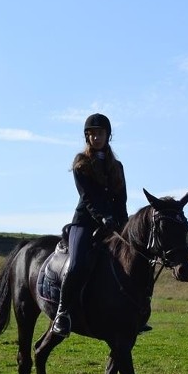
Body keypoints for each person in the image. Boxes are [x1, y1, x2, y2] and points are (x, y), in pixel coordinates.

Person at [52, 113, 128, 337]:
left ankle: (131, 314)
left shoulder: (117, 166)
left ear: (108, 136)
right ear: (87, 137)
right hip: (84, 223)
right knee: (76, 265)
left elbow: (121, 198)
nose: (96, 137)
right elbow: (88, 198)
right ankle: (62, 313)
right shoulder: (81, 163)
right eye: (92, 134)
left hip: (113, 224)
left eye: (100, 133)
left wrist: (123, 223)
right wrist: (103, 217)